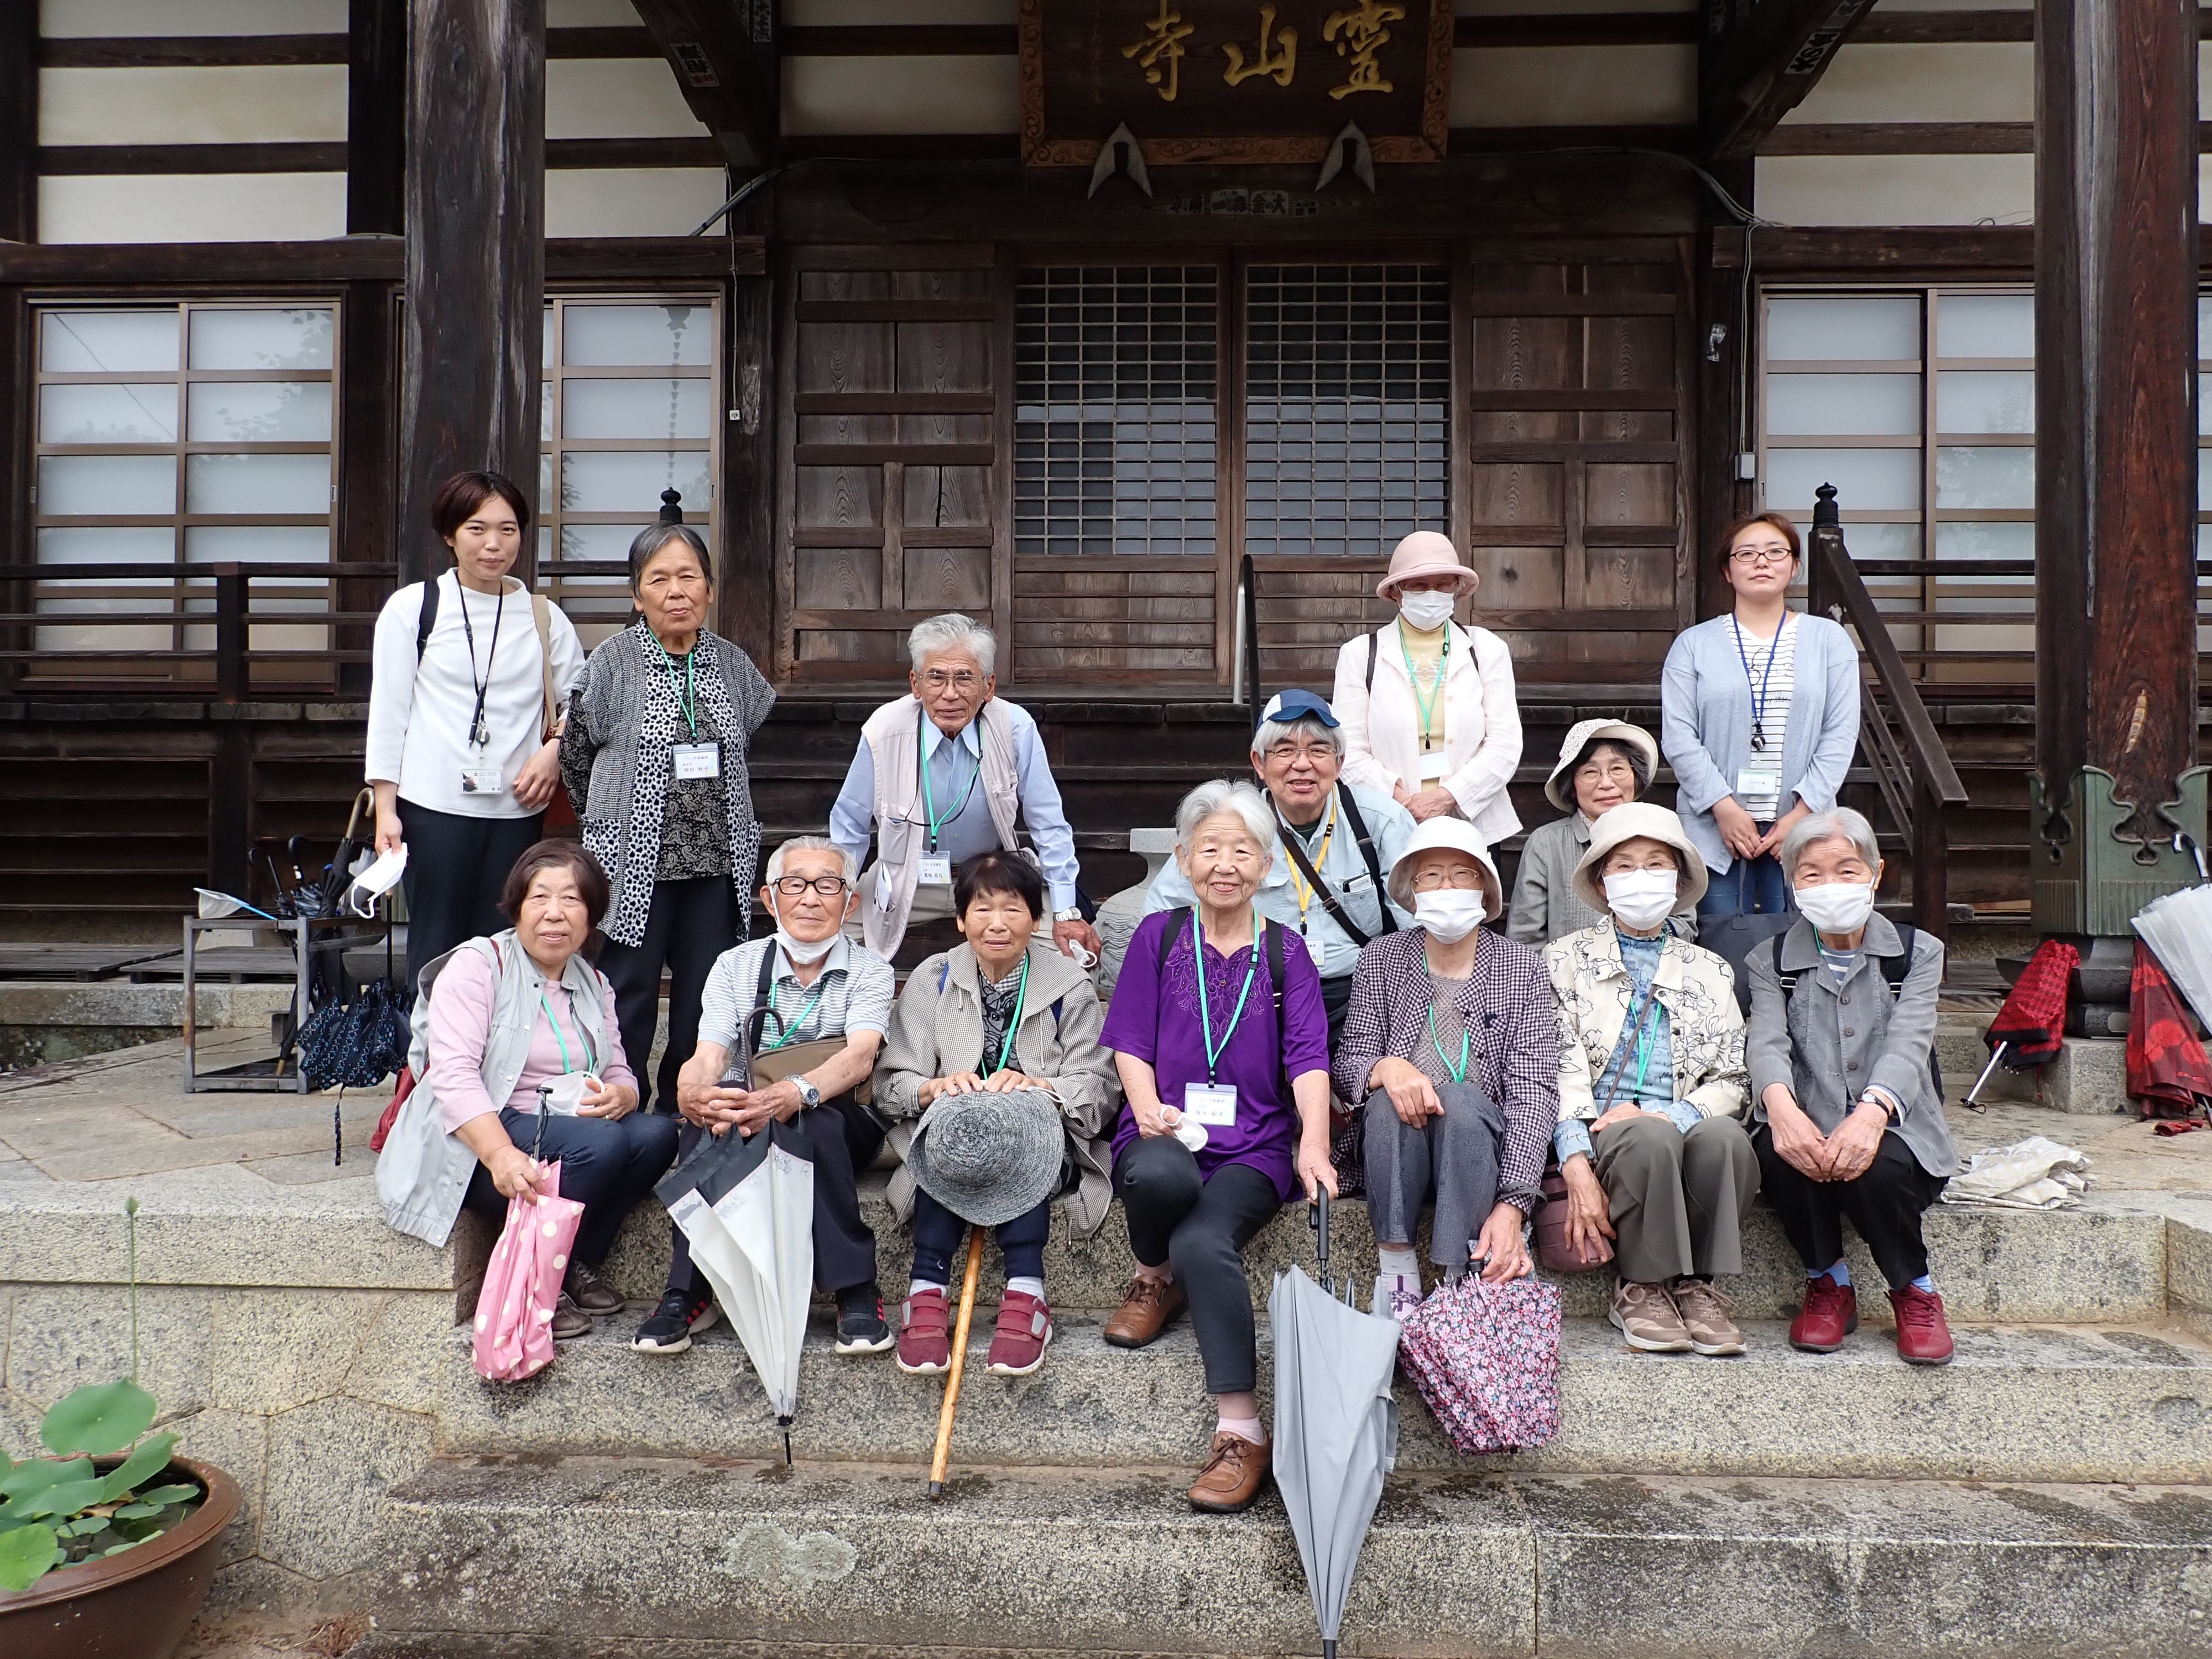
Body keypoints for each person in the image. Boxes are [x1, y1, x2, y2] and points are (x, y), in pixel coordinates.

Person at [1099, 780, 1335, 1515]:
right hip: (1165, 1129)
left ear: (1266, 865)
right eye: (1209, 849)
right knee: (1160, 1177)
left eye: (1242, 850)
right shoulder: (1157, 936)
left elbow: (1308, 1059)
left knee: (1208, 1243)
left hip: (1253, 1148)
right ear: (1183, 859)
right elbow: (1129, 1042)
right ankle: (1150, 1275)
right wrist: (1145, 1111)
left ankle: (1241, 1430)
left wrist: (1315, 1147)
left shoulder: (1286, 952)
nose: (1225, 863)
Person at [377, 841, 675, 1342]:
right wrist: (499, 1155)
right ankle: (535, 1279)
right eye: (540, 898)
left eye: (572, 901)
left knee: (657, 1135)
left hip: (557, 1128)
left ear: (592, 915)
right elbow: (454, 1076)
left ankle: (572, 1259)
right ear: (516, 906)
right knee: (602, 1145)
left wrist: (624, 1095)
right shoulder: (478, 965)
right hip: (474, 1140)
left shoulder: (594, 982)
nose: (554, 915)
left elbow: (620, 1066)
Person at [644, 837, 896, 1357]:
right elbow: (709, 1052)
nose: (810, 898)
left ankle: (855, 1290)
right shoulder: (735, 965)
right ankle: (687, 1292)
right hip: (755, 1105)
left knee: (815, 1123)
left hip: (844, 1115)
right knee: (703, 1123)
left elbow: (860, 1058)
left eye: (828, 886)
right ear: (769, 897)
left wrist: (794, 1094)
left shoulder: (872, 970)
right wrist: (692, 1092)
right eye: (794, 884)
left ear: (849, 903)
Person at [561, 510, 776, 1115]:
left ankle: (687, 1109)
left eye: (688, 577)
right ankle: (622, 1105)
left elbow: (745, 734)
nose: (675, 592)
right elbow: (575, 757)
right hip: (633, 862)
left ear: (709, 587)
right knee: (625, 990)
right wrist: (605, 826)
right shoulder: (611, 663)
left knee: (705, 995)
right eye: (658, 580)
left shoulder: (734, 665)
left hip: (716, 862)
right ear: (636, 594)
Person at [874, 852, 1120, 1380]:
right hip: (949, 1133)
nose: (998, 923)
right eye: (982, 909)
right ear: (961, 919)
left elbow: (1099, 1087)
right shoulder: (932, 978)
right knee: (951, 1138)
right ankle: (926, 1290)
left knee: (1018, 1144)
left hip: (1043, 1135)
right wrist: (932, 1089)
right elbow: (891, 1082)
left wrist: (1042, 1087)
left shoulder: (1070, 986)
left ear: (1036, 919)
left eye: (1013, 909)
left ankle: (1026, 1292)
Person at [1746, 807, 1959, 1366]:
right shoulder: (1769, 960)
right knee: (1774, 1151)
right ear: (1792, 884)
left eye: (1845, 870)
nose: (1830, 885)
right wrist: (1781, 1108)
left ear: (1875, 873)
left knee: (1878, 1165)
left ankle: (1914, 1289)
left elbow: (1910, 1042)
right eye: (1811, 874)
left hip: (1896, 1120)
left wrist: (1871, 1114)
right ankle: (1828, 1284)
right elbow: (1766, 1042)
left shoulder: (1917, 953)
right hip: (1807, 1110)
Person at [1543, 803, 1755, 1357]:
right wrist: (1573, 1155)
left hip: (1675, 1118)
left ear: (1680, 879)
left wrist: (1672, 1113)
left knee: (1725, 1137)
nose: (1641, 878)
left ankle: (1697, 1285)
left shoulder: (1710, 969)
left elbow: (1733, 1075)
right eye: (1624, 866)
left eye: (1656, 864)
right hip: (1607, 1130)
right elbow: (1554, 1066)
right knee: (1648, 1136)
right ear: (1600, 880)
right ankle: (1640, 1285)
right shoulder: (1561, 960)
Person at [366, 471, 585, 992]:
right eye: (477, 528)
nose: (494, 545)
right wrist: (387, 811)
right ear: (449, 534)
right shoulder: (414, 608)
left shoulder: (543, 615)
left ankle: (498, 1065)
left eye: (508, 530)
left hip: (517, 807)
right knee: (436, 943)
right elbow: (389, 712)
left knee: (506, 943)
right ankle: (429, 1067)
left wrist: (554, 750)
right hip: (432, 804)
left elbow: (583, 697)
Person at [1333, 818, 1557, 1321]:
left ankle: (1464, 1275)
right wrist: (1386, 1067)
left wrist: (1515, 1203)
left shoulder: (1522, 967)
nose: (1447, 887)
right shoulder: (1383, 958)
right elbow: (1347, 1065)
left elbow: (1534, 1091)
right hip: (1398, 1151)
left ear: (1486, 890)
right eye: (1430, 876)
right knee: (1389, 1101)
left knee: (1458, 1100)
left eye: (1462, 874)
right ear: (1411, 893)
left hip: (1479, 1154)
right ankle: (1397, 1274)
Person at [1144, 689, 1413, 1047]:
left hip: (1359, 998)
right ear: (1259, 762)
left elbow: (1417, 923)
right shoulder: (1230, 826)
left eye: (1318, 750)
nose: (1302, 764)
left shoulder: (1382, 821)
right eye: (1285, 750)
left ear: (1339, 761)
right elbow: (1165, 916)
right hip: (1255, 994)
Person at [830, 613, 1102, 964]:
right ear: (915, 684)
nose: (950, 694)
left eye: (964, 678)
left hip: (991, 877)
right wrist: (834, 890)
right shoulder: (884, 730)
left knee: (1071, 957)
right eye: (936, 678)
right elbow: (850, 824)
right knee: (823, 937)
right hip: (903, 875)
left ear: (988, 687)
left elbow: (1048, 824)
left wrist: (1067, 912)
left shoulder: (1014, 727)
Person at [1661, 512, 1859, 924]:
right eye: (1747, 554)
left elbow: (1840, 732)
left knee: (1801, 941)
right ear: (1727, 570)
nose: (1762, 562)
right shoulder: (1693, 645)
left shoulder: (1828, 641)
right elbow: (1679, 736)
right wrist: (1723, 807)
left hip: (1804, 822)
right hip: (1716, 825)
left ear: (1795, 566)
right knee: (1718, 938)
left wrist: (1801, 815)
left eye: (1775, 552)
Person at [1331, 531, 1522, 841]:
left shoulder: (1486, 648)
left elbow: (1505, 743)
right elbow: (1347, 748)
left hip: (1470, 819)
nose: (1432, 592)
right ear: (1396, 591)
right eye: (1419, 585)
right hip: (1386, 819)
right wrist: (1401, 801)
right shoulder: (1360, 654)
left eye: (1443, 584)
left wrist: (1447, 797)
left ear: (1456, 590)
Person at [1507, 718, 1697, 945]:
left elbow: (1685, 925)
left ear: (1636, 777)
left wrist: (1643, 936)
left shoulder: (1663, 833)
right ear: (1572, 785)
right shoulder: (1547, 843)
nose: (1606, 783)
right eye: (1590, 772)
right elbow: (1525, 936)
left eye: (1618, 769)